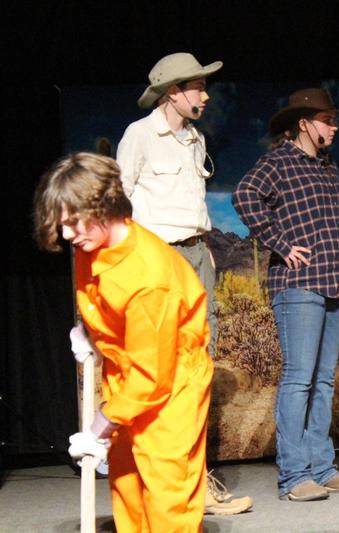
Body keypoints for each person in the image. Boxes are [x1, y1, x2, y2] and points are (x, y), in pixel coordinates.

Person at [33, 152, 213, 532]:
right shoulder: (89, 244)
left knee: (166, 490)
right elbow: (99, 299)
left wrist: (99, 428)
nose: (67, 235)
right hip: (127, 376)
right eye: (62, 225)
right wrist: (90, 332)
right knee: (127, 483)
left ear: (104, 207)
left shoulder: (149, 279)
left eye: (72, 222)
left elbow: (152, 378)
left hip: (171, 384)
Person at [117, 52, 252, 513]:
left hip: (197, 254)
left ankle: (194, 483)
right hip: (159, 257)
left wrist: (205, 246)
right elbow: (120, 202)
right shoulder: (139, 135)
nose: (205, 95)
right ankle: (164, 484)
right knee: (162, 368)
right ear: (173, 92)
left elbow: (191, 202)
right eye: (198, 86)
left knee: (197, 368)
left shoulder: (195, 139)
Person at [232, 88, 339, 502]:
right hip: (299, 284)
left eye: (335, 120)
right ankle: (294, 476)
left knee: (323, 380)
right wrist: (280, 242)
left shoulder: (328, 166)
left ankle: (322, 467)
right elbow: (244, 196)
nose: (334, 126)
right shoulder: (277, 162)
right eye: (328, 120)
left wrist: (331, 241)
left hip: (335, 280)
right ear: (304, 124)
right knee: (299, 378)